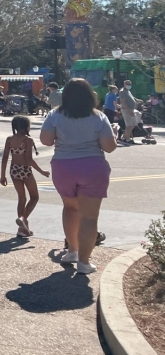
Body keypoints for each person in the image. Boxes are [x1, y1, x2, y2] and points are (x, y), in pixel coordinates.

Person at [39, 78, 117, 275]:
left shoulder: (54, 115)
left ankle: (72, 250)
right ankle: (84, 262)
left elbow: (46, 140)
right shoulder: (98, 117)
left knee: (70, 208)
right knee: (89, 217)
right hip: (92, 166)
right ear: (90, 96)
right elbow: (109, 147)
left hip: (63, 167)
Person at [0, 116, 50, 237]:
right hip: (25, 170)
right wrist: (42, 171)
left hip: (14, 170)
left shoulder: (9, 139)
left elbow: (5, 157)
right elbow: (29, 159)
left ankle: (22, 229)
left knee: (22, 199)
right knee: (34, 197)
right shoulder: (28, 140)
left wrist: (3, 175)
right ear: (26, 126)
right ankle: (23, 218)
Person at [117, 80, 141, 144]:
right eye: (127, 84)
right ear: (124, 84)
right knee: (129, 125)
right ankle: (127, 139)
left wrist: (137, 100)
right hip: (126, 110)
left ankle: (124, 137)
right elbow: (123, 102)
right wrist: (128, 110)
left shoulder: (128, 91)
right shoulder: (122, 92)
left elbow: (132, 97)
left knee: (133, 124)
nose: (129, 85)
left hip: (131, 109)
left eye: (130, 84)